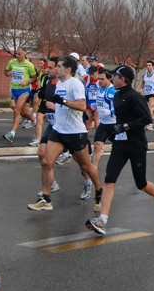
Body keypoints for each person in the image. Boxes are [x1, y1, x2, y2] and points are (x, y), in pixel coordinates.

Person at [86, 65, 154, 235]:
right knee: (109, 179)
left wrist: (125, 126)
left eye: (114, 76)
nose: (111, 78)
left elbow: (146, 118)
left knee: (141, 183)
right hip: (120, 144)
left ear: (122, 80)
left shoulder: (134, 97)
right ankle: (102, 220)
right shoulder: (117, 95)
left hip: (136, 144)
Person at [27, 56, 103, 212]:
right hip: (59, 130)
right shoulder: (59, 83)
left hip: (76, 133)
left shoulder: (75, 83)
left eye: (59, 66)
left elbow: (82, 105)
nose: (56, 69)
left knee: (85, 167)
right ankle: (46, 199)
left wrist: (62, 102)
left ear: (68, 69)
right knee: (47, 162)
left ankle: (99, 192)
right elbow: (60, 103)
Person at [34, 58, 61, 196]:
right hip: (52, 124)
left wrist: (57, 107)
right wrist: (48, 113)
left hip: (66, 127)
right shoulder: (49, 82)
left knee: (82, 162)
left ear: (58, 68)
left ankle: (89, 182)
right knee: (41, 153)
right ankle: (52, 184)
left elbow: (77, 106)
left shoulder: (66, 84)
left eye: (50, 68)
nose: (46, 70)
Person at [3, 48, 37, 143]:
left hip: (24, 90)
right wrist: (8, 73)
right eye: (16, 54)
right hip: (14, 89)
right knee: (22, 112)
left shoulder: (29, 65)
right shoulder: (12, 62)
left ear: (24, 54)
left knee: (16, 109)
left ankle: (12, 133)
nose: (17, 56)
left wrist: (27, 82)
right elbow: (5, 71)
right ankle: (35, 121)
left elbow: (35, 77)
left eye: (19, 54)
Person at [92, 68, 117, 170]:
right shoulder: (98, 89)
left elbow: (121, 107)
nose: (100, 81)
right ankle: (93, 168)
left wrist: (111, 111)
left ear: (109, 79)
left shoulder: (113, 91)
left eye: (102, 79)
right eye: (99, 79)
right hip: (103, 123)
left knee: (119, 147)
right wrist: (95, 105)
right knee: (97, 145)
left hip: (114, 124)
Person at [141, 60, 154, 129]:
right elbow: (143, 82)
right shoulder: (145, 73)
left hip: (153, 93)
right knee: (146, 108)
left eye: (149, 65)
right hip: (147, 92)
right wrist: (141, 88)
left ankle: (149, 124)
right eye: (147, 65)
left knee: (149, 107)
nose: (148, 67)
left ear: (153, 66)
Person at [83, 65, 100, 131]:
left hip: (97, 104)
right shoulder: (86, 79)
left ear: (96, 72)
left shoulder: (100, 80)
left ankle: (99, 139)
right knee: (87, 126)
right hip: (89, 104)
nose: (91, 76)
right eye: (90, 74)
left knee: (97, 125)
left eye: (93, 74)